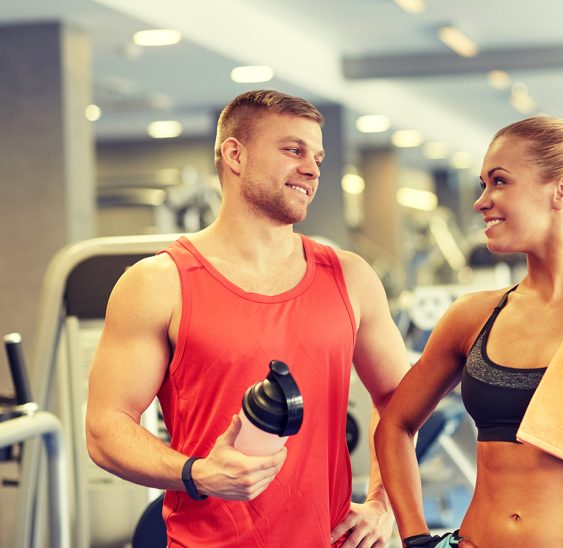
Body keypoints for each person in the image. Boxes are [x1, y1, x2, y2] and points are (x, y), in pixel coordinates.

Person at [86, 90, 409, 547]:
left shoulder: (350, 277)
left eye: (317, 156)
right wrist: (197, 474)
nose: (313, 168)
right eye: (293, 150)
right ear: (235, 154)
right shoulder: (159, 283)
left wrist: (383, 503)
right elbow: (106, 428)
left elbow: (400, 400)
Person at [374, 116, 563, 547]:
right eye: (483, 184)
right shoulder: (474, 315)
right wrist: (414, 537)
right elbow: (395, 425)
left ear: (562, 191)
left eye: (499, 181)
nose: (481, 201)